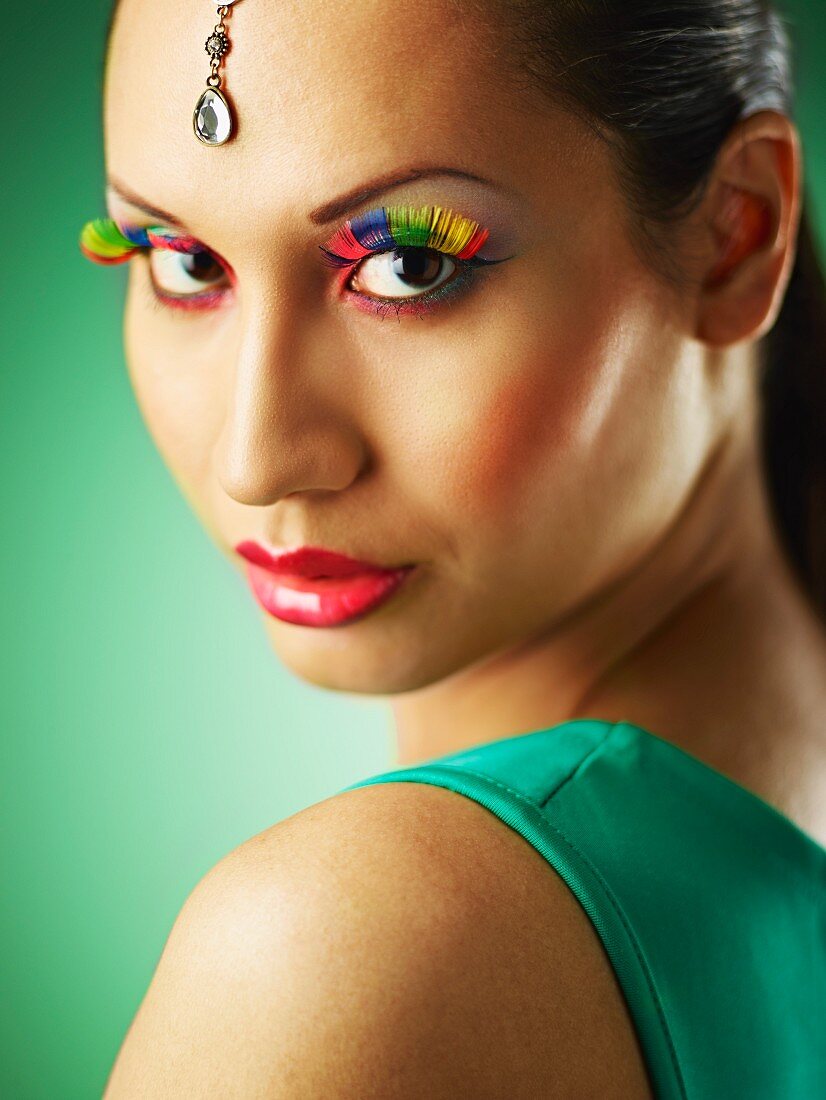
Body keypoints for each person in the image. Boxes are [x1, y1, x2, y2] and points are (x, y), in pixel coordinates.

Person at [85, 0, 825, 1095]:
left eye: (408, 267)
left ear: (733, 234)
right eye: (182, 259)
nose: (257, 457)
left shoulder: (351, 945)